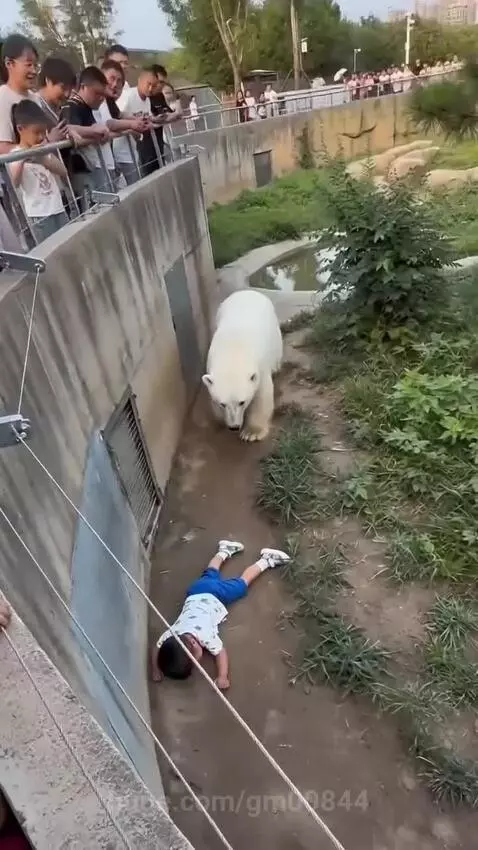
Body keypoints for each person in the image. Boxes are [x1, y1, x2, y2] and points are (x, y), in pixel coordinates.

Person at [152, 540, 290, 690]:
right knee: (211, 572)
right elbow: (157, 648)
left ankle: (266, 560)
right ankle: (224, 550)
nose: (197, 663)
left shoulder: (205, 635)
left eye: (195, 661)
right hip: (195, 591)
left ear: (193, 643)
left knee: (241, 585)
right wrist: (156, 669)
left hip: (215, 596)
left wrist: (223, 675)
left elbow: (221, 653)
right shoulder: (171, 634)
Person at [9, 99, 69, 243]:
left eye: (43, 132)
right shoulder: (15, 153)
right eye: (36, 132)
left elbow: (63, 170)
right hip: (39, 214)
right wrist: (24, 158)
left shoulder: (42, 150)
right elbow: (14, 182)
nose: (41, 137)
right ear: (20, 129)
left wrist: (43, 159)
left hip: (57, 207)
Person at [60, 65, 111, 209]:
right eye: (97, 93)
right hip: (79, 171)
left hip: (91, 168)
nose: (101, 99)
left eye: (103, 95)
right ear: (83, 87)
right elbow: (68, 129)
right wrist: (94, 131)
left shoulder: (86, 107)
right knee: (92, 209)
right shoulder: (72, 107)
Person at [97, 59, 148, 186]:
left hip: (108, 159)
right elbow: (109, 123)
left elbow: (120, 115)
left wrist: (138, 120)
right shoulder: (101, 99)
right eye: (111, 78)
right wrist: (132, 125)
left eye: (118, 81)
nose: (114, 84)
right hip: (99, 163)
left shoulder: (109, 101)